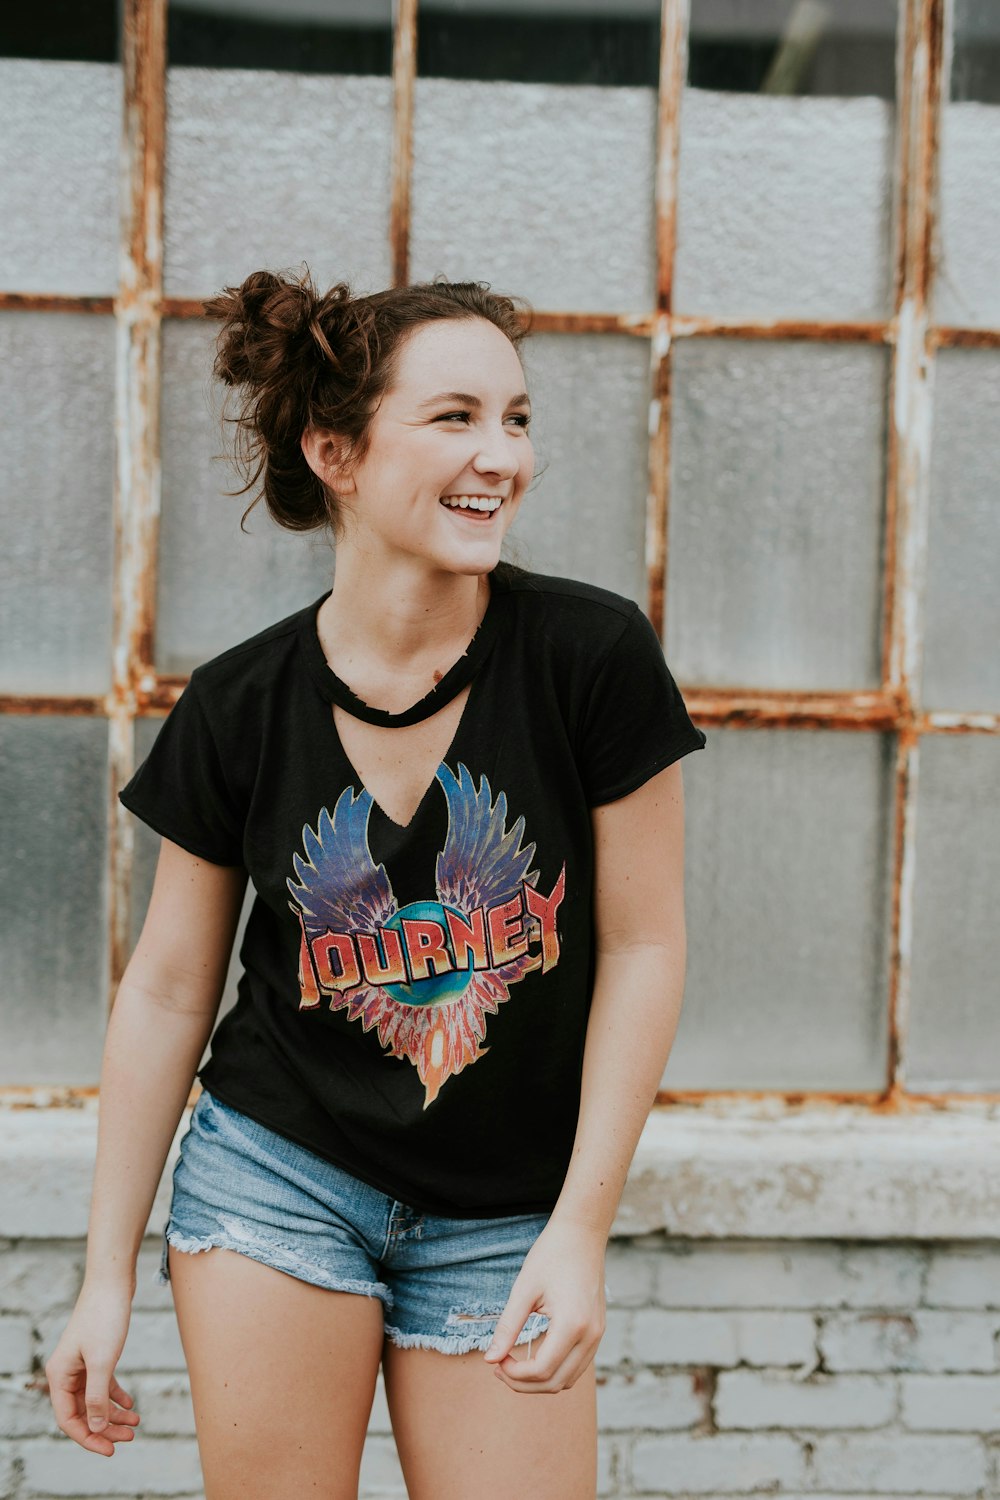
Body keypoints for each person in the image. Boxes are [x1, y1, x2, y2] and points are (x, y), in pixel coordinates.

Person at [44, 267, 707, 1499]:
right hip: (277, 1176)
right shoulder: (239, 704)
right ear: (336, 452)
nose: (498, 454)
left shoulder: (589, 657)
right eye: (452, 416)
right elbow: (168, 989)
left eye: (515, 418)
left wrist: (578, 1230)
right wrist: (102, 1275)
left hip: (507, 1207)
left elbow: (645, 948)